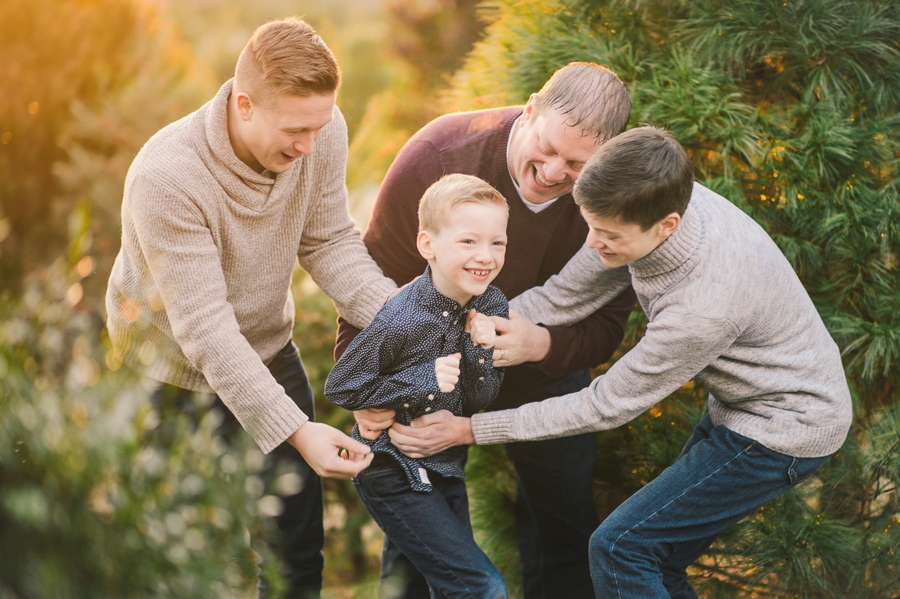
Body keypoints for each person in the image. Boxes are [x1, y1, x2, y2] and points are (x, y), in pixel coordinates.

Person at [435, 126, 852, 598]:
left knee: (621, 549)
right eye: (589, 225)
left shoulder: (702, 304)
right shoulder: (646, 196)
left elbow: (605, 405)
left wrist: (471, 429)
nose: (593, 243)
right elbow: (568, 293)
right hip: (745, 403)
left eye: (608, 235)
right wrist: (465, 326)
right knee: (656, 561)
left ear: (667, 225)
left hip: (786, 426)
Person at [105, 18, 396, 598]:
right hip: (165, 380)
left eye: (320, 126)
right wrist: (296, 431)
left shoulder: (321, 127)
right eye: (295, 130)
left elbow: (329, 241)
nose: (311, 146)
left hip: (266, 347)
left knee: (296, 551)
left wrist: (405, 319)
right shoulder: (168, 177)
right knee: (181, 560)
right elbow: (208, 333)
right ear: (244, 104)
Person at [335, 62, 637, 599]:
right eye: (545, 148)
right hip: (431, 369)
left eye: (575, 164)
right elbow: (368, 282)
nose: (550, 172)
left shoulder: (615, 202)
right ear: (528, 110)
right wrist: (368, 390)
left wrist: (539, 343)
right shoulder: (438, 158)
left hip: (545, 369)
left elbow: (609, 324)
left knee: (565, 522)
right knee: (423, 537)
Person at [327, 174, 510, 598]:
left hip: (446, 465)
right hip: (392, 469)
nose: (485, 256)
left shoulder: (491, 304)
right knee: (480, 587)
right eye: (469, 242)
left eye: (497, 242)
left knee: (407, 586)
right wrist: (424, 379)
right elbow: (343, 387)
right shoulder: (401, 317)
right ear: (428, 245)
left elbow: (479, 399)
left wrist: (482, 352)